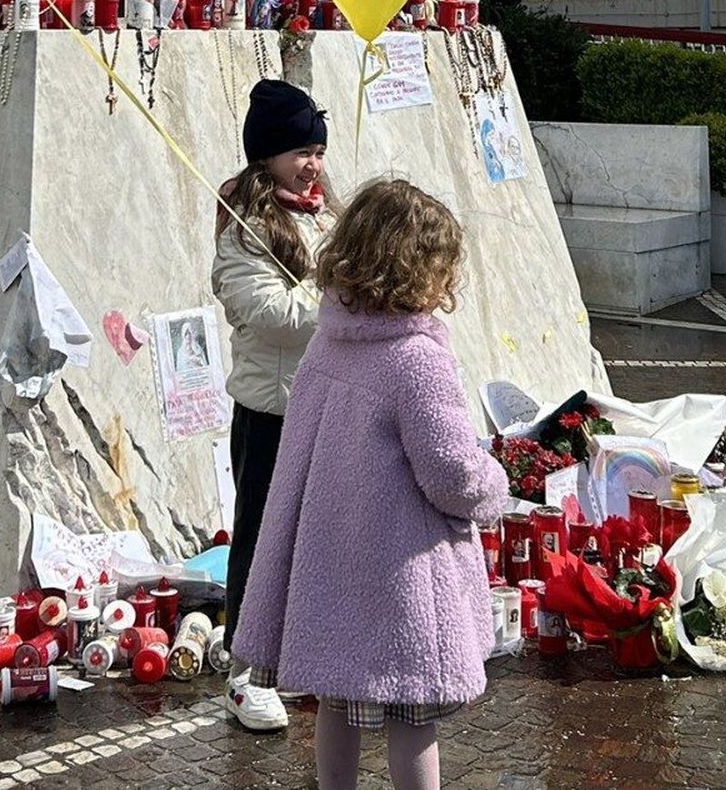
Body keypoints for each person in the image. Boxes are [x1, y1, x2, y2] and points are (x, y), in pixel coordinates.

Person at [232, 178, 509, 790]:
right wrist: (496, 484)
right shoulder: (416, 359)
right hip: (401, 578)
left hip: (333, 566)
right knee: (412, 711)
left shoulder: (330, 340)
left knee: (338, 697)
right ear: (422, 271)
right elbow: (452, 472)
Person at [210, 78, 336, 732]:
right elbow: (263, 311)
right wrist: (339, 304)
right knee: (259, 542)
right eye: (298, 151)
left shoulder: (319, 210)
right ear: (267, 155)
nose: (311, 163)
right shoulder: (245, 221)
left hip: (323, 407)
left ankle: (300, 659)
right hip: (270, 411)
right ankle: (245, 673)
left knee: (316, 541)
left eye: (317, 148)